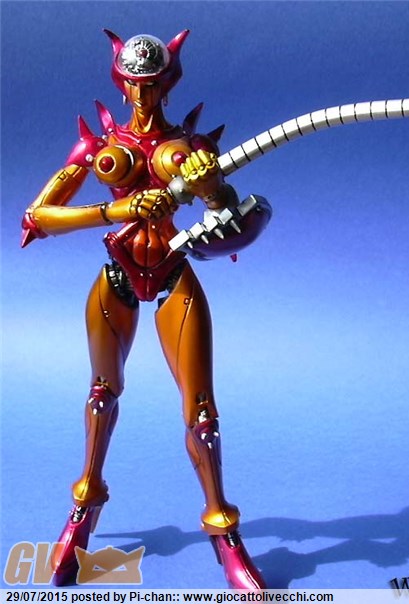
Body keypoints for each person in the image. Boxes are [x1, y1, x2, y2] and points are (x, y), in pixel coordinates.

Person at [21, 30, 270, 591]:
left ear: (168, 83)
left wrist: (213, 190)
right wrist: (119, 209)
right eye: (135, 83)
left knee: (202, 415)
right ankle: (82, 511)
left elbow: (231, 217)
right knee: (101, 397)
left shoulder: (190, 146)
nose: (143, 95)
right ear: (122, 82)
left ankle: (224, 531)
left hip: (175, 270)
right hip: (117, 275)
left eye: (153, 84)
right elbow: (38, 216)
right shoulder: (102, 148)